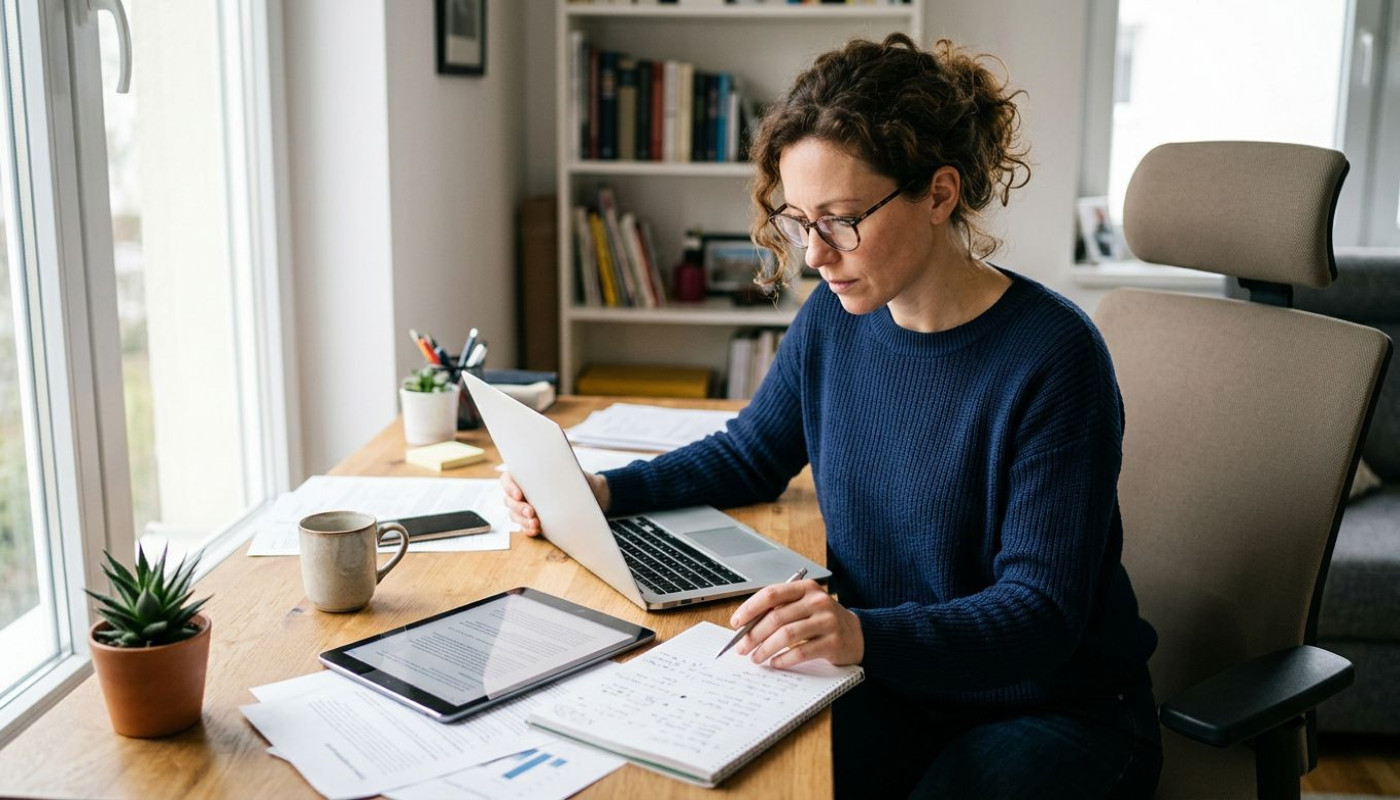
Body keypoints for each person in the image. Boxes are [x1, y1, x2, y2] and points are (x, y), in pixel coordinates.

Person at [504, 33, 1161, 799]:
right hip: (890, 682)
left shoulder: (1054, 358)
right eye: (797, 220)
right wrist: (605, 492)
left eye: (841, 220)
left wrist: (859, 633)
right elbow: (750, 454)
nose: (815, 255)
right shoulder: (835, 317)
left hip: (1054, 711)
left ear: (939, 194)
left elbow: (1040, 614)